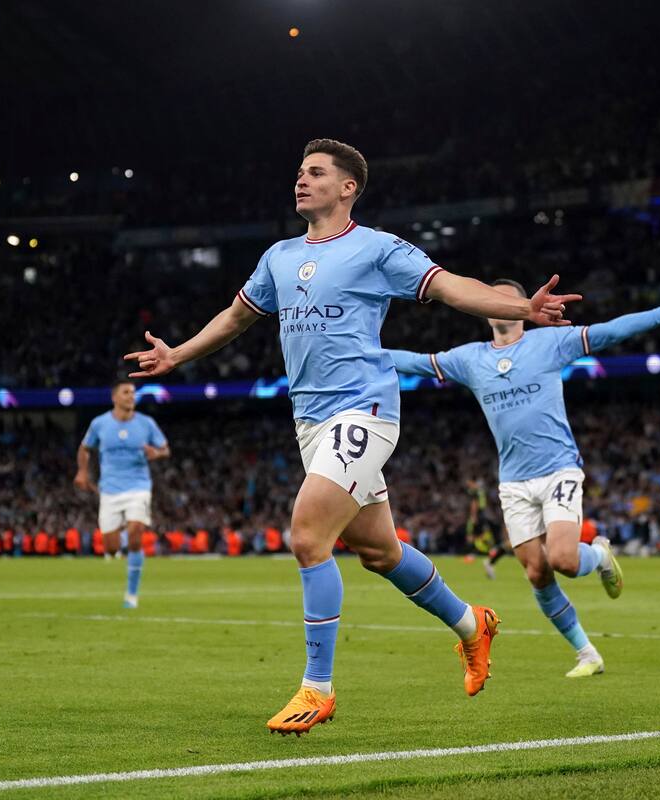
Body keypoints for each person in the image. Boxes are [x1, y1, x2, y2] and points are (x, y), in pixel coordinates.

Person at [123, 139, 581, 735]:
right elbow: (237, 317)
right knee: (379, 552)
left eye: (315, 173)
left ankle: (317, 688)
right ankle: (473, 624)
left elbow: (448, 286)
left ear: (348, 188)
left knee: (307, 534)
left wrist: (513, 307)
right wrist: (178, 355)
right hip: (310, 421)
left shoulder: (377, 248)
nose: (301, 180)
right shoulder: (280, 256)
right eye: (299, 172)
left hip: (364, 410)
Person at [389, 277, 660, 677]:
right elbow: (418, 362)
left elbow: (609, 332)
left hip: (558, 467)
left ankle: (598, 554)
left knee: (562, 558)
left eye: (507, 299)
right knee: (536, 572)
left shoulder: (548, 342)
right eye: (491, 300)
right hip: (513, 482)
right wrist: (362, 352)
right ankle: (587, 653)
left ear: (523, 308)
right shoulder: (470, 359)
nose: (498, 305)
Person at [74, 380, 171, 609]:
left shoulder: (146, 423)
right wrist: (82, 472)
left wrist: (156, 453)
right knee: (110, 548)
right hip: (109, 489)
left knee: (137, 531)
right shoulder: (100, 424)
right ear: (114, 398)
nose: (131, 396)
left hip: (139, 486)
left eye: (133, 393)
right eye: (126, 392)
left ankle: (131, 595)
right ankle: (120, 542)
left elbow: (166, 449)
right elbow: (85, 448)